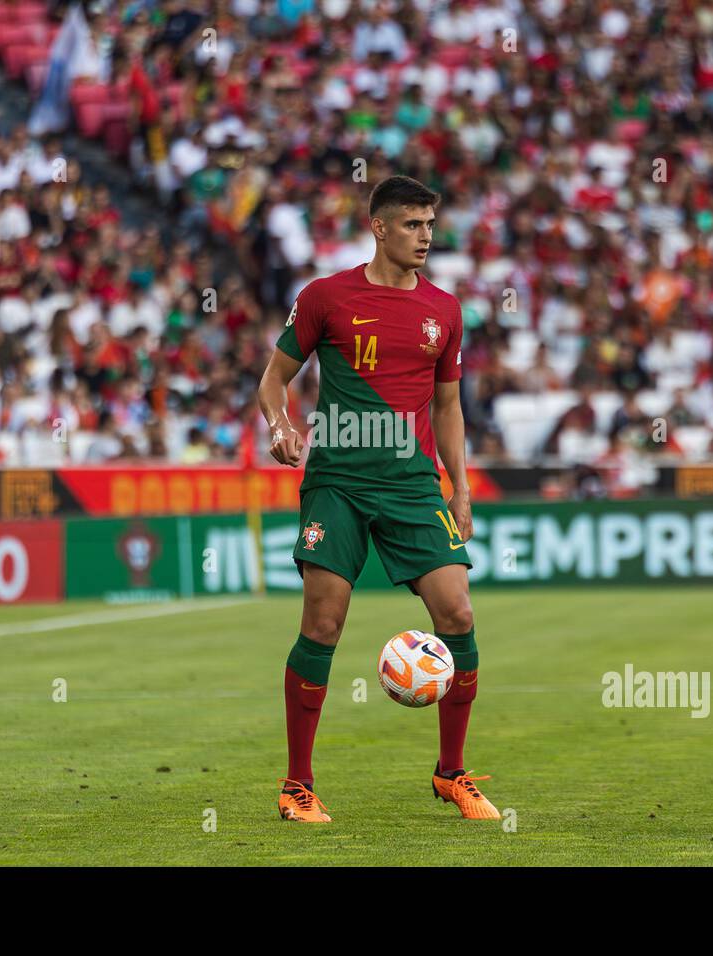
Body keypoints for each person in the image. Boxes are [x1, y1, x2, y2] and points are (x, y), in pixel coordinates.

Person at [257, 175, 494, 823]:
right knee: (324, 623)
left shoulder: (444, 310)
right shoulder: (326, 296)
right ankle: (297, 785)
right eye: (413, 224)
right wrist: (279, 424)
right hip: (337, 482)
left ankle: (452, 773)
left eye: (430, 224)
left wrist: (462, 488)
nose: (425, 236)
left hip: (413, 486)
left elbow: (448, 407)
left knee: (459, 614)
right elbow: (274, 379)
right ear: (380, 227)